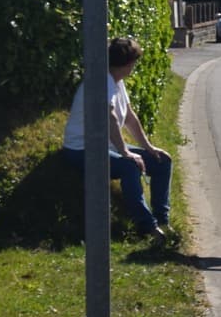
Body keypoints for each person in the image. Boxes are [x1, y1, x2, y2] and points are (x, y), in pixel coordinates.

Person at [63, 35, 171, 242]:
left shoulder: (117, 82)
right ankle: (147, 226)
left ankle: (162, 220)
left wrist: (149, 148)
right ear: (126, 63)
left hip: (106, 146)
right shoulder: (102, 82)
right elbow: (109, 117)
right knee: (130, 167)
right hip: (81, 149)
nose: (134, 66)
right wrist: (125, 152)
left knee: (162, 161)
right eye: (134, 62)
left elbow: (129, 116)